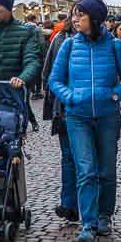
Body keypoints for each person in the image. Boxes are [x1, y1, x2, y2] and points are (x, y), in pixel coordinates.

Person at [48, 0, 121, 242]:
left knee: (106, 170)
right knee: (85, 169)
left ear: (95, 19)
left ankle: (104, 215)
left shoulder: (115, 46)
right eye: (74, 15)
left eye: (81, 15)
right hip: (78, 117)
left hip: (108, 116)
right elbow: (55, 81)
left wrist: (115, 94)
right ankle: (87, 224)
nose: (75, 19)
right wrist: (70, 97)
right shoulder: (68, 45)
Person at [41, 16, 78, 223]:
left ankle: (79, 204)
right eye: (75, 13)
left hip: (82, 107)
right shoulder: (59, 39)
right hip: (63, 108)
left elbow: (47, 74)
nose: (77, 18)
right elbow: (48, 74)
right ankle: (68, 203)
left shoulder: (98, 40)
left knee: (81, 159)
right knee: (68, 156)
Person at [25, 14, 47, 100]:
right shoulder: (37, 29)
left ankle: (31, 90)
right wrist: (44, 54)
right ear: (34, 19)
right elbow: (41, 43)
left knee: (29, 72)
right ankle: (37, 92)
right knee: (37, 74)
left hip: (25, 55)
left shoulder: (22, 28)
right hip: (36, 55)